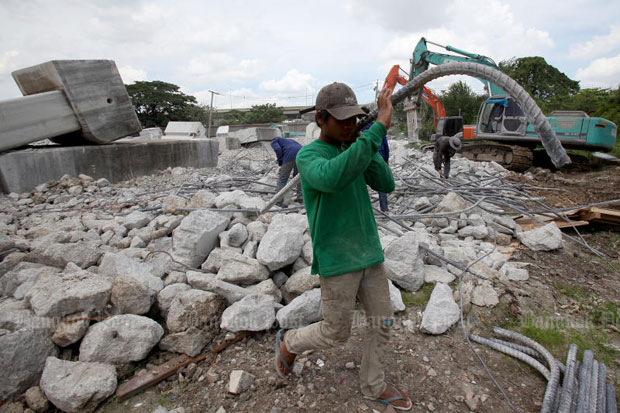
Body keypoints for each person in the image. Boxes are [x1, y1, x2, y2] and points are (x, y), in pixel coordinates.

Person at [274, 82, 412, 411]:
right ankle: (291, 342)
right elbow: (334, 178)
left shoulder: (353, 148)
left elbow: (386, 183)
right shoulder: (309, 156)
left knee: (383, 322)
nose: (350, 125)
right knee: (336, 332)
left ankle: (373, 385)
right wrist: (373, 131)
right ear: (321, 119)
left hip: (369, 254)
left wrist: (366, 142)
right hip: (337, 260)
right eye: (342, 120)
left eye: (355, 120)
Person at [270, 137, 303, 206]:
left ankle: (278, 202)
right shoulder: (290, 140)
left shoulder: (274, 141)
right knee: (298, 178)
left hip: (290, 155)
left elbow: (277, 149)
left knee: (282, 179)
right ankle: (301, 197)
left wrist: (280, 163)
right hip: (301, 154)